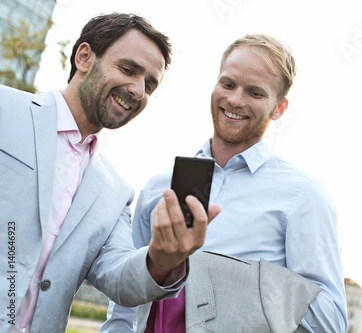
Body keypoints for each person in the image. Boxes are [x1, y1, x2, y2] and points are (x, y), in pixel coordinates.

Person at [102, 34, 348, 332]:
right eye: (228, 84)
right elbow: (125, 299)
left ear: (278, 108)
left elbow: (331, 320)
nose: (235, 100)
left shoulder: (303, 196)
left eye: (255, 93)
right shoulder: (158, 186)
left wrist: (235, 278)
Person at [0, 13, 220, 333]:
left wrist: (160, 259)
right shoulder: (5, 109)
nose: (137, 89)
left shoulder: (116, 191)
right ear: (85, 57)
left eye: (150, 84)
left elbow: (118, 279)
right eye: (128, 69)